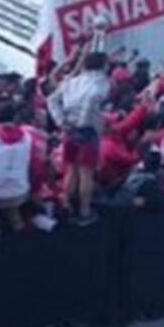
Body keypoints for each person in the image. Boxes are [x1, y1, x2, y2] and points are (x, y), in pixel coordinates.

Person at [47, 49, 111, 225]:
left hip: (69, 129)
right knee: (86, 173)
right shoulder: (101, 83)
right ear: (103, 65)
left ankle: (67, 206)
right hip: (88, 132)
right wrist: (83, 124)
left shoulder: (72, 81)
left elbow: (51, 99)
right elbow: (91, 101)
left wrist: (61, 122)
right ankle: (84, 211)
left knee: (72, 169)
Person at [0, 104, 41, 232]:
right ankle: (17, 224)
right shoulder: (28, 139)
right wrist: (33, 189)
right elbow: (36, 166)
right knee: (13, 207)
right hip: (21, 192)